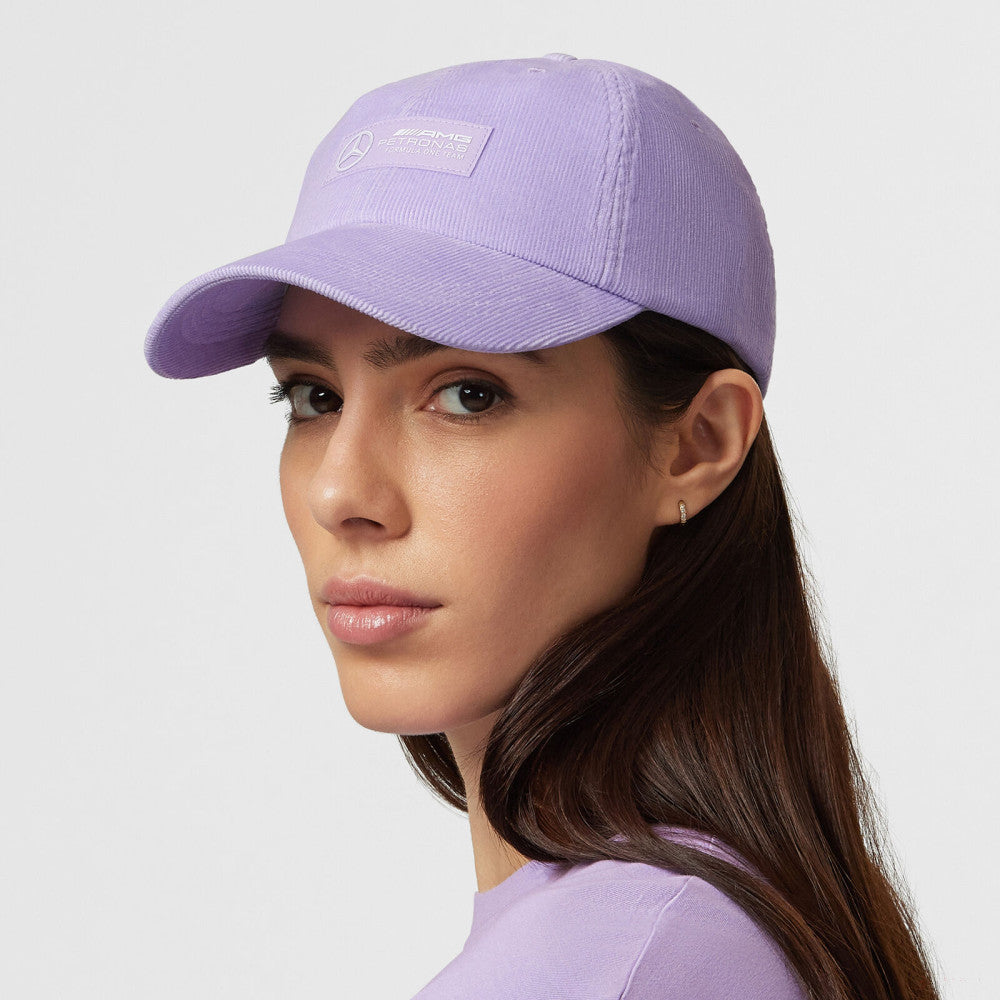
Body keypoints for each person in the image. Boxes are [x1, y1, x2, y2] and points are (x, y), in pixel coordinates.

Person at [143, 53, 941, 1000]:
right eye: (313, 396)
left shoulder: (611, 966)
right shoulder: (712, 926)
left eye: (467, 395)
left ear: (698, 444)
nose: (341, 492)